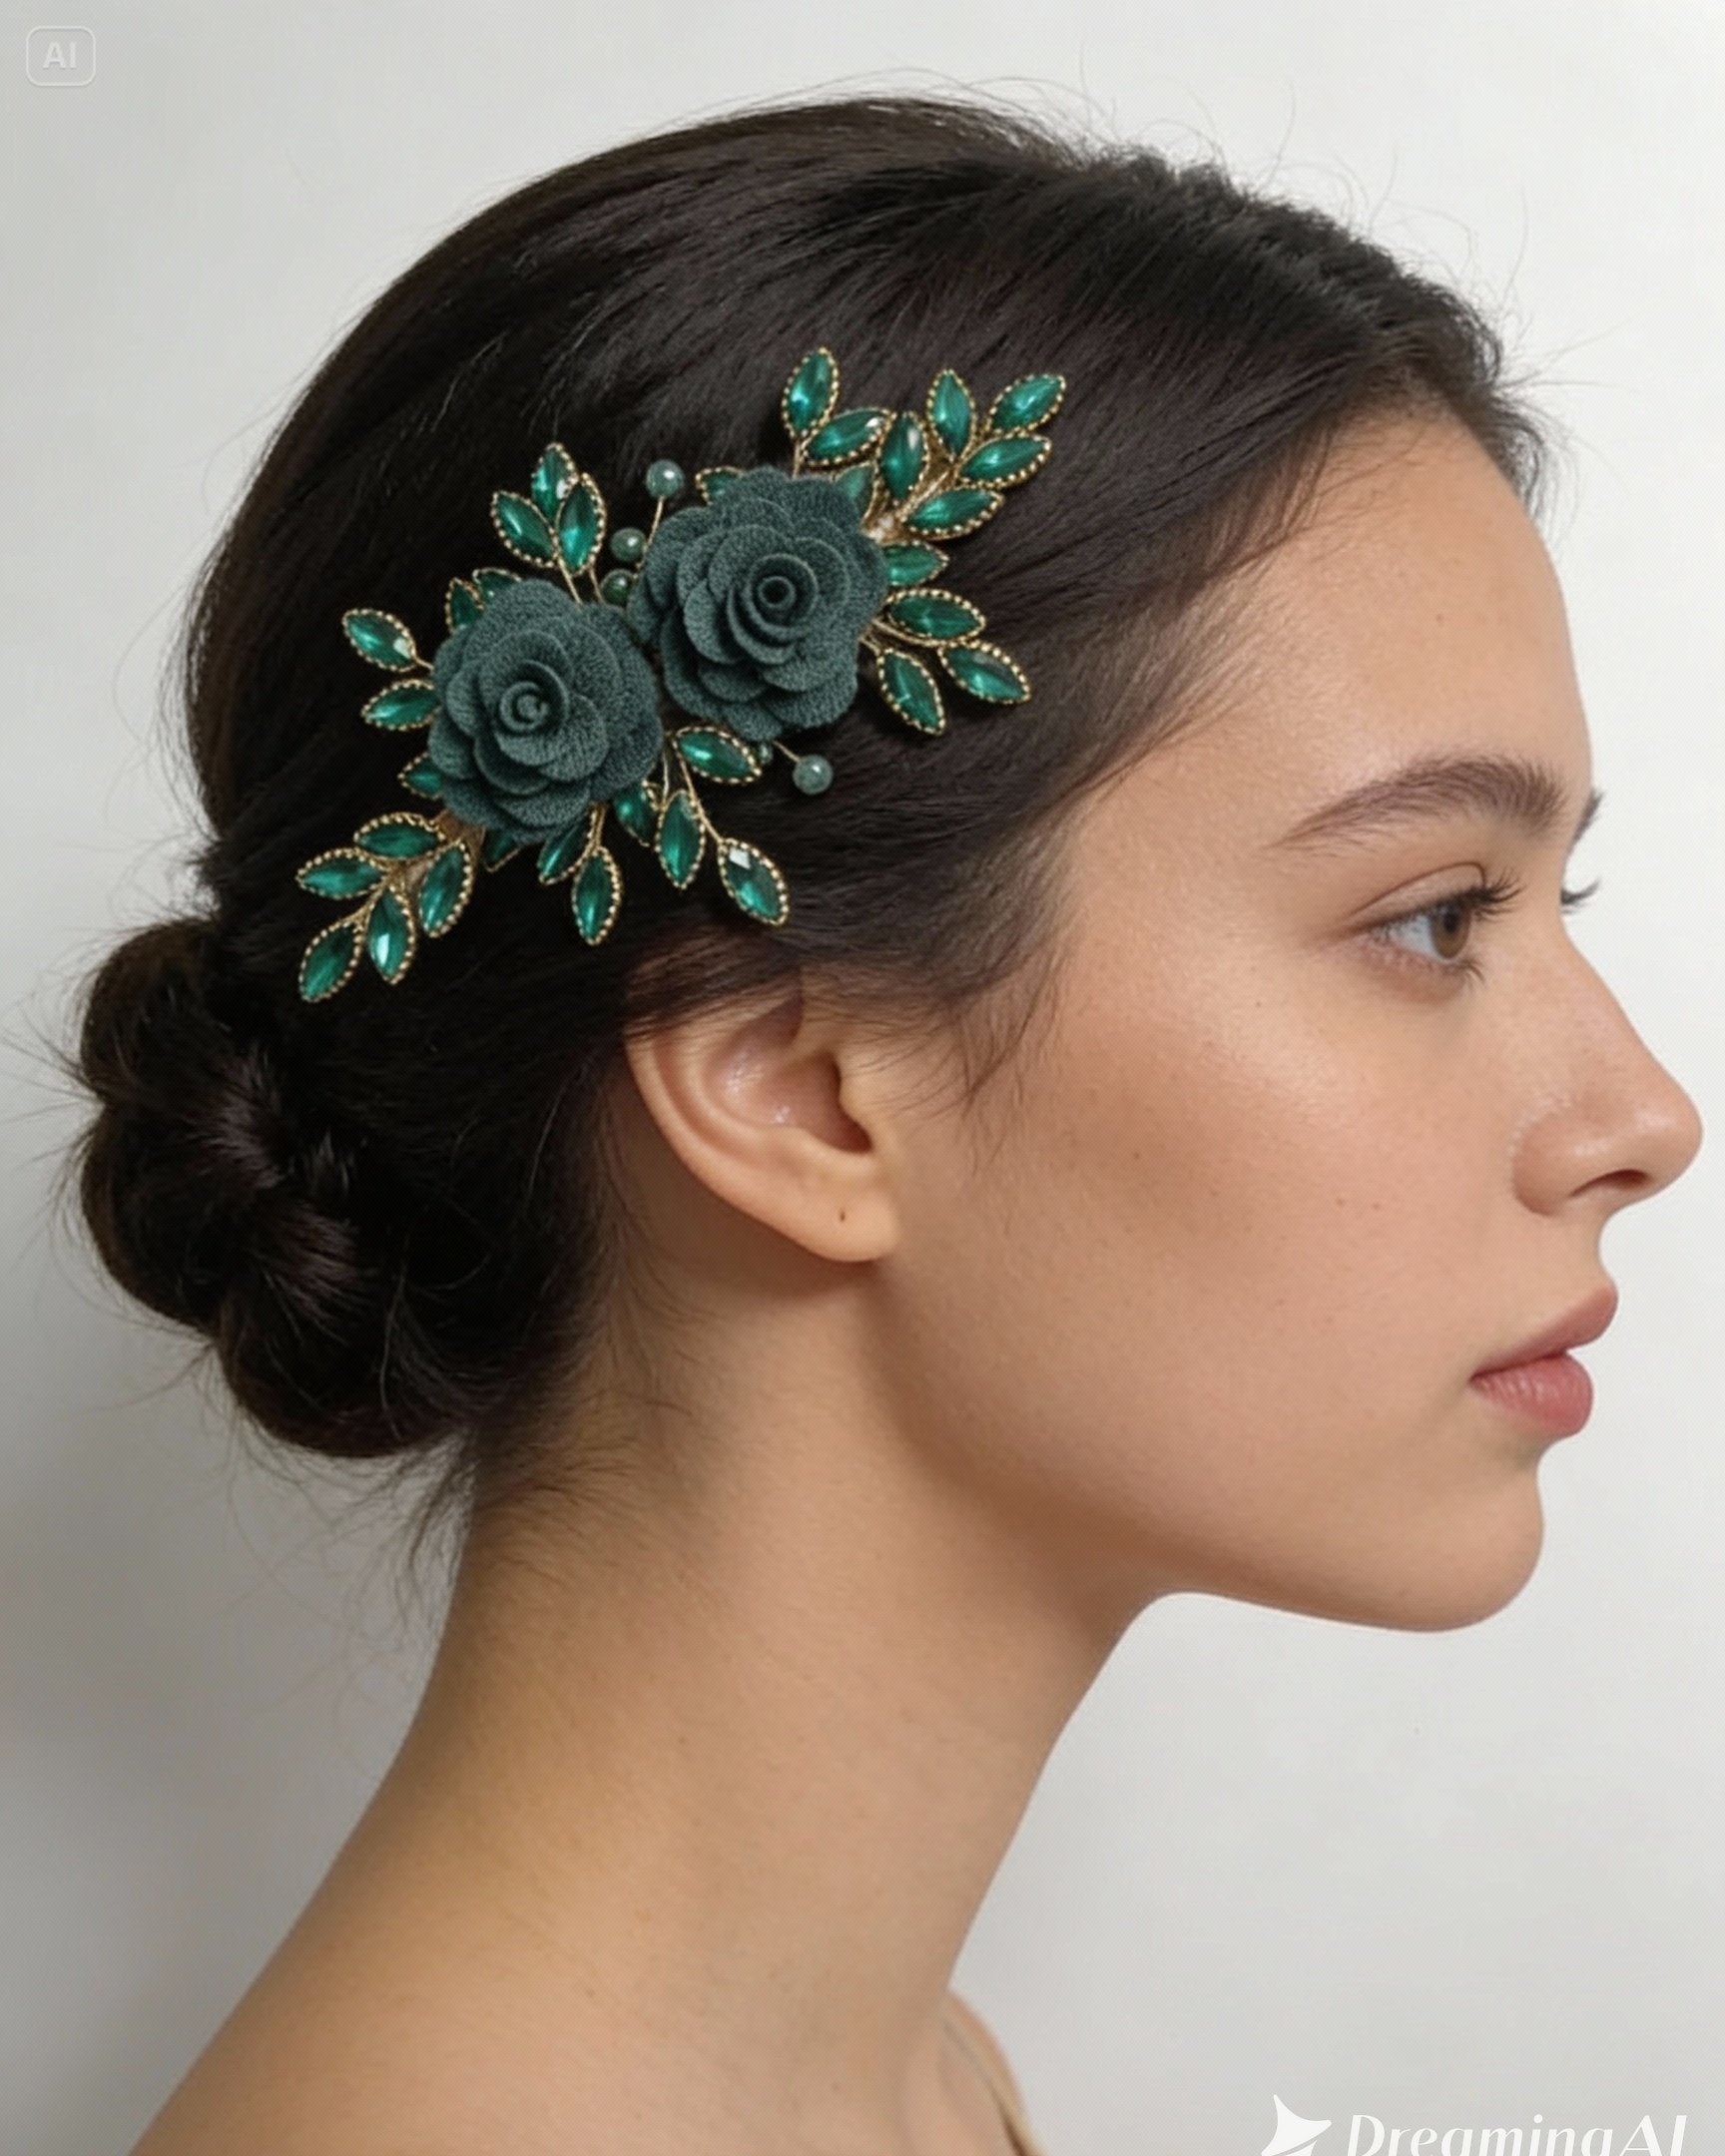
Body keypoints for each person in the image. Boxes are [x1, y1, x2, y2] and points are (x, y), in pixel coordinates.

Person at [64, 88, 1701, 2156]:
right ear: (794, 1088)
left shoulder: (917, 2092)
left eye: (1560, 903)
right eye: (1432, 915)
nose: (1645, 1115)